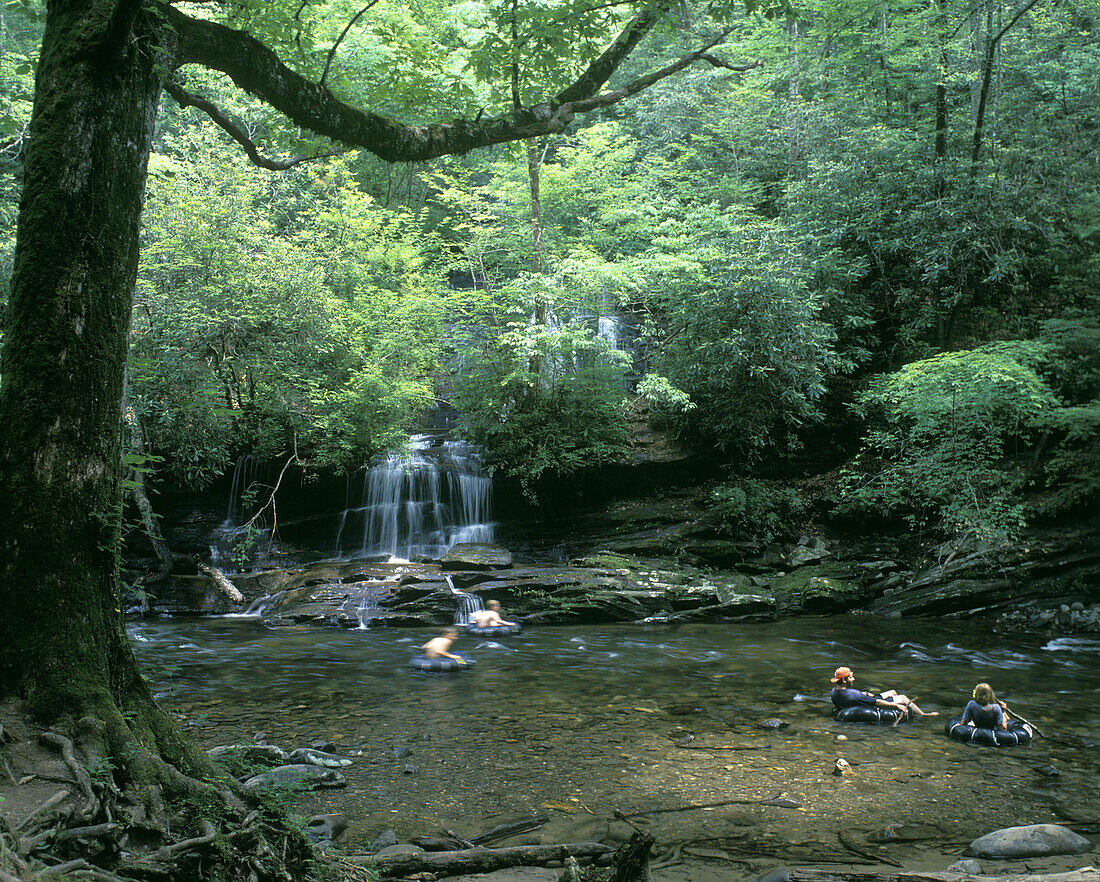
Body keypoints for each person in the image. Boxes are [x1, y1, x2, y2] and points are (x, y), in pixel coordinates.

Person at [829, 666, 938, 724]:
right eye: (851, 677)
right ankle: (923, 714)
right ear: (844, 680)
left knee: (893, 692)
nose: (854, 679)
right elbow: (877, 702)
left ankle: (918, 711)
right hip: (868, 703)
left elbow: (854, 697)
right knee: (903, 698)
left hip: (861, 700)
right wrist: (897, 706)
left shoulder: (834, 691)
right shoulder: (853, 694)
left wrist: (865, 693)